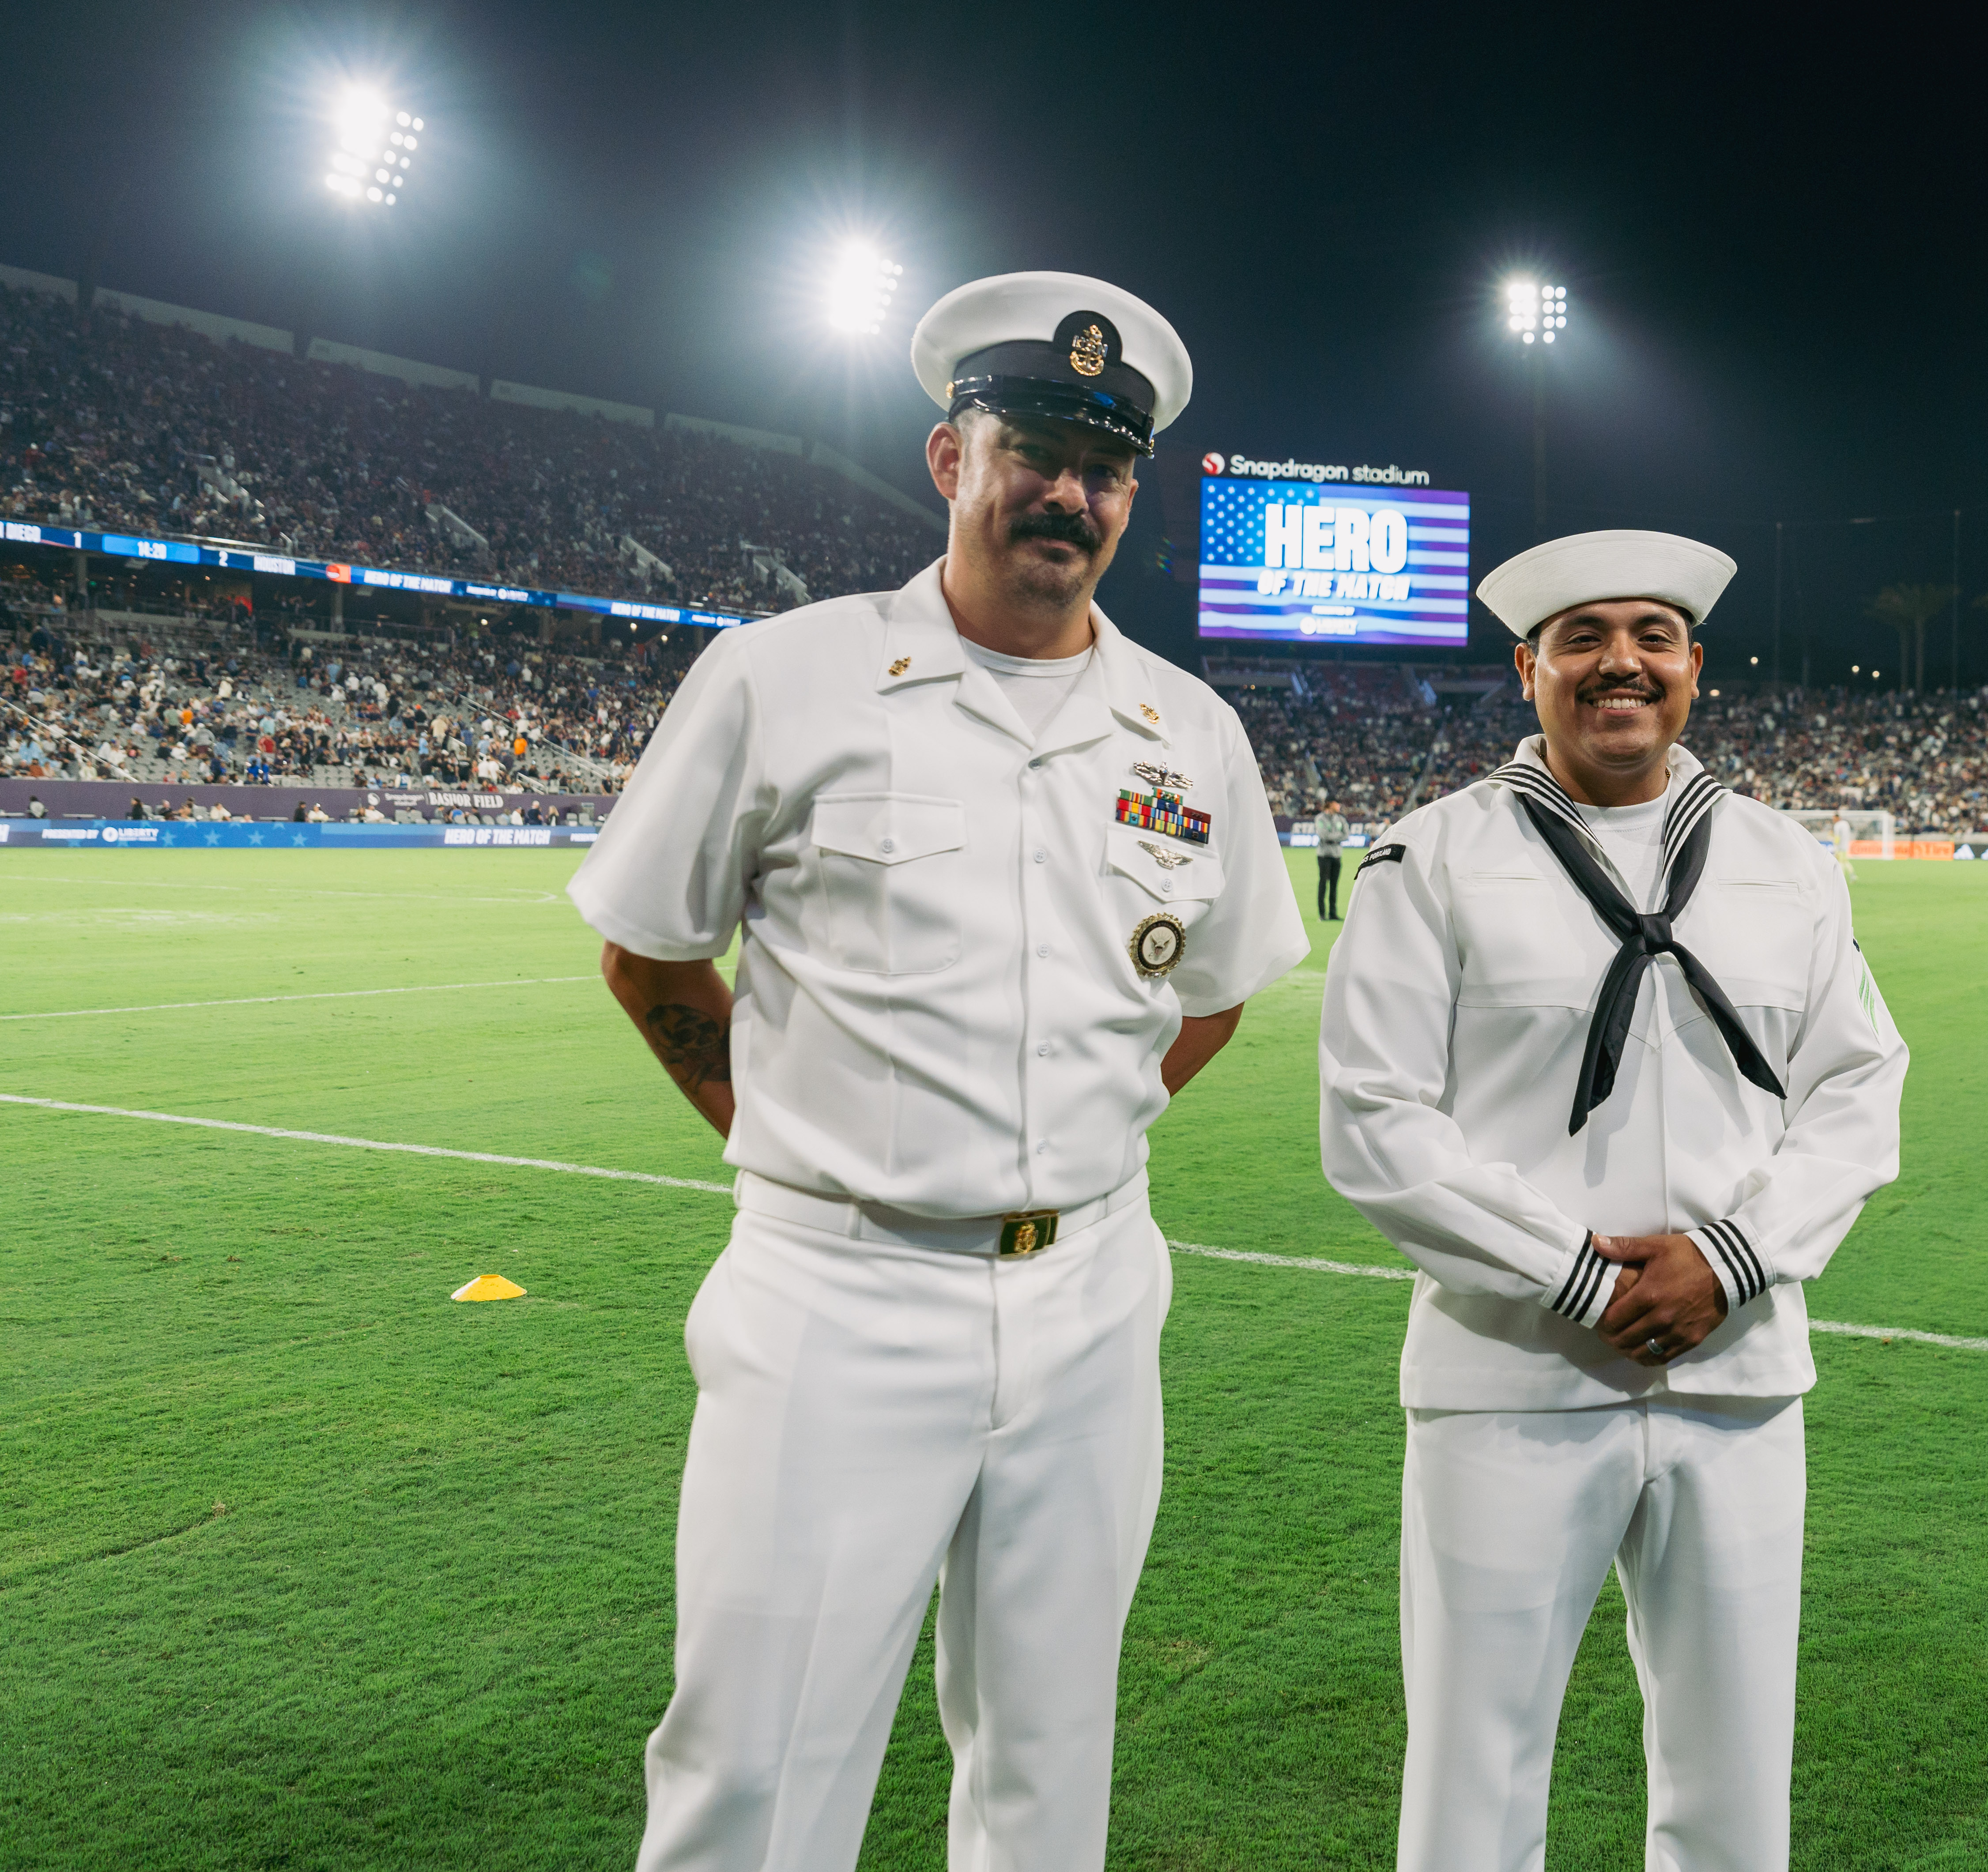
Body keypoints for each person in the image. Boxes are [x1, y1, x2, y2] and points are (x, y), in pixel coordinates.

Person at [566, 271, 1305, 1872]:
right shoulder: (785, 675)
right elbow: (646, 946)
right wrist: (806, 1139)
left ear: (1134, 494)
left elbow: (1220, 989)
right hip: (841, 1291)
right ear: (946, 457)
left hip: (1097, 1294)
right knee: (756, 1775)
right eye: (1029, 445)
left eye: (1103, 468)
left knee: (1047, 1769)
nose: (1066, 491)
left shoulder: (1191, 728)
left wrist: (1061, 1136)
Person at [1317, 530, 1907, 1872]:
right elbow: (1372, 1120)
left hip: (1738, 1376)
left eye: (1650, 635)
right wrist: (1577, 1273)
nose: (1619, 663)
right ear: (1527, 671)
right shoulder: (1431, 859)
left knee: (1735, 1781)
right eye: (1580, 638)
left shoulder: (1787, 864)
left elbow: (1859, 1090)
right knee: (1474, 1773)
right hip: (1509, 1377)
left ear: (1692, 667)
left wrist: (1734, 1258)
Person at [1313, 798, 1351, 920]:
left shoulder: (1340, 819)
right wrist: (1337, 837)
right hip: (1324, 856)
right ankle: (1322, 914)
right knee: (1323, 883)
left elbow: (1346, 835)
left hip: (1337, 855)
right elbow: (1323, 835)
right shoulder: (1320, 818)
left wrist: (1333, 838)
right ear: (1330, 804)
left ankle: (1333, 913)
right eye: (1337, 803)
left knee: (1335, 885)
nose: (1339, 806)